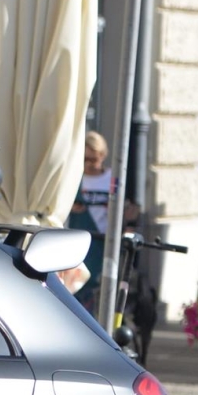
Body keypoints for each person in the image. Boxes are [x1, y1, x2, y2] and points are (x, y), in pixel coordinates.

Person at [69, 131, 115, 311]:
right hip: (81, 236)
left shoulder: (111, 178)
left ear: (102, 156)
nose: (88, 164)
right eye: (85, 159)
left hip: (103, 238)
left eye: (93, 159)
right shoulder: (75, 177)